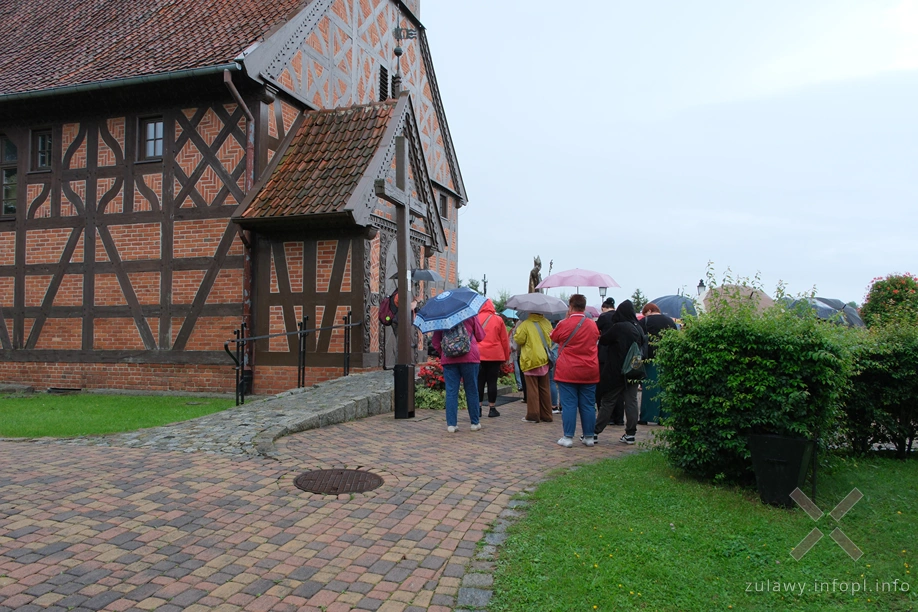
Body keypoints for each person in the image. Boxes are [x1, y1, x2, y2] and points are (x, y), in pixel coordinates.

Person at [550, 294, 600, 447]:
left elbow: (554, 337)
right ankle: (589, 436)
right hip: (589, 369)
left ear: (570, 307)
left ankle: (568, 437)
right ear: (584, 307)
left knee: (569, 404)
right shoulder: (592, 325)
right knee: (588, 404)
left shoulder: (564, 323)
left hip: (568, 370)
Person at [596, 300, 646, 444]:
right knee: (631, 401)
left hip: (616, 370)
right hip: (634, 370)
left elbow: (604, 340)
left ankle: (594, 432)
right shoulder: (639, 328)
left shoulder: (619, 327)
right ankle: (630, 433)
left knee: (608, 401)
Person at [432, 315, 486, 433]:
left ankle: (451, 424)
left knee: (451, 391)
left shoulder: (442, 317)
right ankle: (474, 423)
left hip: (449, 360)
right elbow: (481, 336)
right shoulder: (469, 315)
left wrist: (445, 353)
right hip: (470, 357)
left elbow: (435, 341)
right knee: (472, 390)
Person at [638, 302, 679, 424]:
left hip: (650, 358)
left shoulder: (645, 322)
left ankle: (648, 416)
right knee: (665, 388)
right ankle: (665, 416)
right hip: (666, 358)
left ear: (649, 311)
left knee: (650, 388)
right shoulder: (670, 321)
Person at [513, 311, 554, 423]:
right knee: (544, 388)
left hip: (530, 359)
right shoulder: (546, 323)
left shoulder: (525, 324)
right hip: (544, 358)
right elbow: (551, 338)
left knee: (532, 389)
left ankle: (533, 415)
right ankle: (547, 414)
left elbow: (519, 339)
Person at [477, 299, 510, 418]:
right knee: (492, 382)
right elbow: (504, 340)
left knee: (479, 382)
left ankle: (478, 408)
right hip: (495, 355)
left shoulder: (476, 318)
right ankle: (492, 408)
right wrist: (506, 356)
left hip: (479, 354)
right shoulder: (498, 319)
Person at [594, 297, 624, 428]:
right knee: (618, 389)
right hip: (619, 355)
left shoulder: (604, 317)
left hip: (604, 355)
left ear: (604, 307)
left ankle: (606, 416)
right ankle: (619, 417)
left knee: (603, 388)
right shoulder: (621, 317)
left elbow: (595, 332)